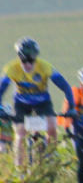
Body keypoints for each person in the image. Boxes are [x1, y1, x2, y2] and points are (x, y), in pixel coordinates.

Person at [0, 39, 73, 169]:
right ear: (18, 58)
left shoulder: (45, 66)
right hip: (21, 103)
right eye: (24, 60)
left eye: (31, 60)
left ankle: (51, 154)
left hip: (43, 102)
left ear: (36, 58)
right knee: (20, 133)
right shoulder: (11, 68)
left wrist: (72, 107)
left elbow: (65, 86)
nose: (28, 64)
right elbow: (1, 89)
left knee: (51, 126)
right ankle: (20, 169)